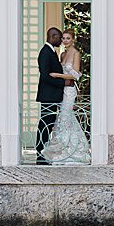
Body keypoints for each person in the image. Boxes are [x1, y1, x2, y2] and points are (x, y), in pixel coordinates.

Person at [46, 30, 88, 164]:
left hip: (69, 90)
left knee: (65, 116)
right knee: (63, 118)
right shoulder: (63, 54)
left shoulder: (76, 53)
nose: (65, 41)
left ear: (73, 39)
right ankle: (63, 147)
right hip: (61, 89)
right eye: (63, 38)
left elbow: (75, 75)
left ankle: (73, 149)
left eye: (68, 38)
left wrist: (58, 76)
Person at [34, 26, 65, 163]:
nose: (61, 41)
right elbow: (45, 76)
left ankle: (44, 151)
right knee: (45, 123)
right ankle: (40, 152)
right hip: (48, 95)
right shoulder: (45, 52)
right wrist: (62, 84)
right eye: (59, 37)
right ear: (52, 37)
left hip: (52, 95)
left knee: (49, 123)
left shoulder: (51, 52)